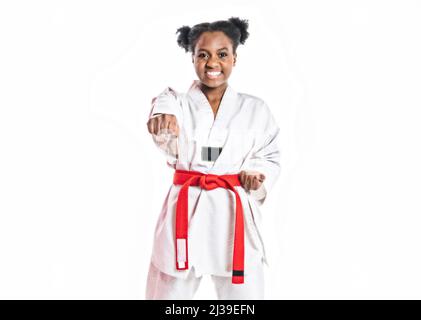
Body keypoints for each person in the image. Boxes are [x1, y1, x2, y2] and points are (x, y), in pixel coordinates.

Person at [145, 17, 281, 300]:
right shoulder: (177, 104)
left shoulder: (255, 109)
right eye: (203, 55)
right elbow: (164, 107)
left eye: (222, 54)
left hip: (232, 213)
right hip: (186, 209)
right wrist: (162, 118)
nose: (212, 63)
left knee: (243, 300)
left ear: (234, 57)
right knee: (170, 296)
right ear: (192, 58)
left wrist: (256, 175)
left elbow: (269, 154)